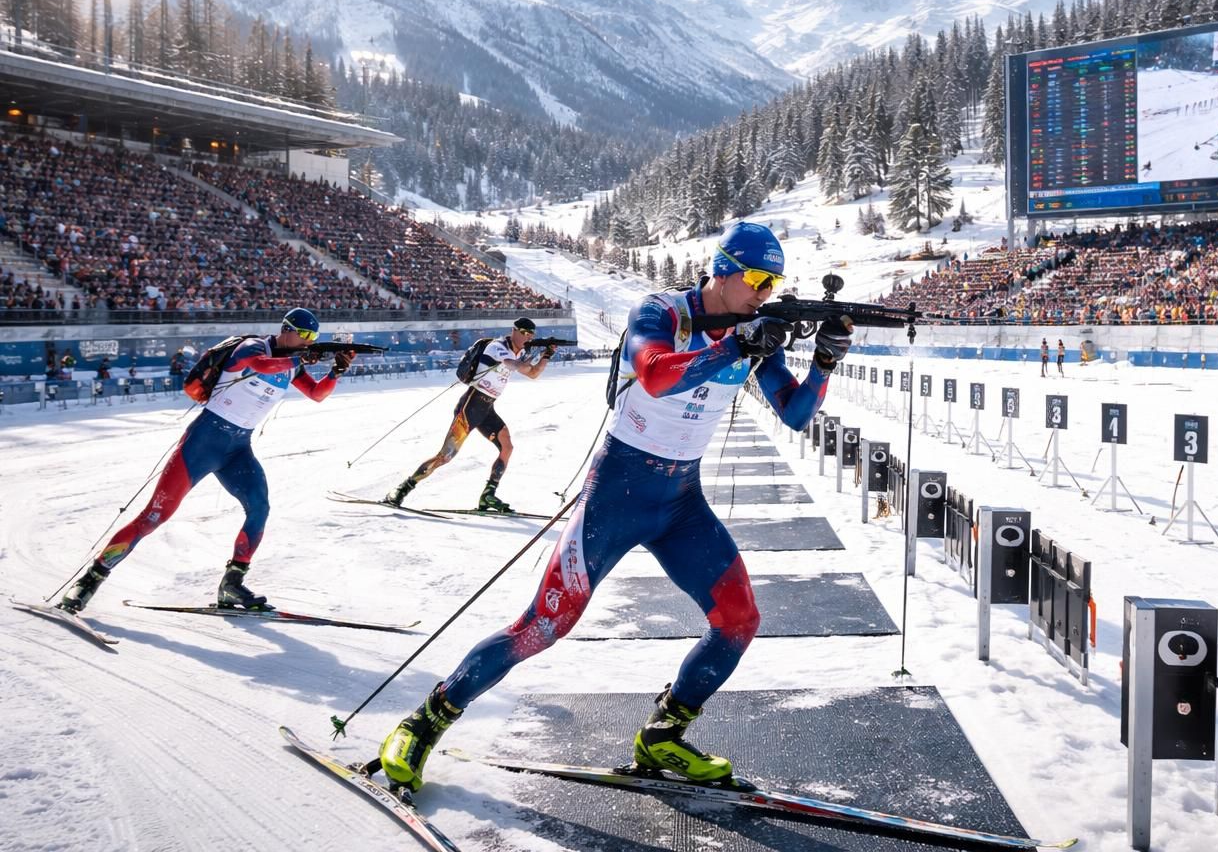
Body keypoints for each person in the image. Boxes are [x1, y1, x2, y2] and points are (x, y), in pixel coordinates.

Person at [376, 221, 853, 793]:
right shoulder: (662, 313)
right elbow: (653, 375)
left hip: (681, 501)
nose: (764, 294)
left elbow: (797, 414)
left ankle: (663, 735)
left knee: (739, 620)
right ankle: (424, 722)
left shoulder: (753, 330)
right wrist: (736, 345)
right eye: (756, 279)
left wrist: (824, 362)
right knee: (544, 625)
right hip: (618, 492)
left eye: (772, 284)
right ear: (722, 269)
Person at [56, 309, 354, 615]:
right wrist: (299, 359)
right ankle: (89, 581)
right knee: (154, 516)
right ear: (286, 330)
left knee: (259, 507)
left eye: (314, 339)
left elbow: (317, 394)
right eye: (305, 337)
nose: (308, 343)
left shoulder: (292, 363)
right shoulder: (252, 346)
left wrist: (336, 372)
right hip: (203, 442)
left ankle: (232, 584)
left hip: (238, 448)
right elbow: (261, 366)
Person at [383, 317, 554, 514]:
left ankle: (488, 495)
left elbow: (534, 374)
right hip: (470, 406)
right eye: (523, 332)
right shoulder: (497, 346)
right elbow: (519, 367)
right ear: (513, 330)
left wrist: (547, 354)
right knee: (445, 456)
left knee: (507, 447)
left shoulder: (521, 351)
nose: (527, 337)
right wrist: (535, 358)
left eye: (531, 334)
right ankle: (402, 488)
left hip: (487, 408)